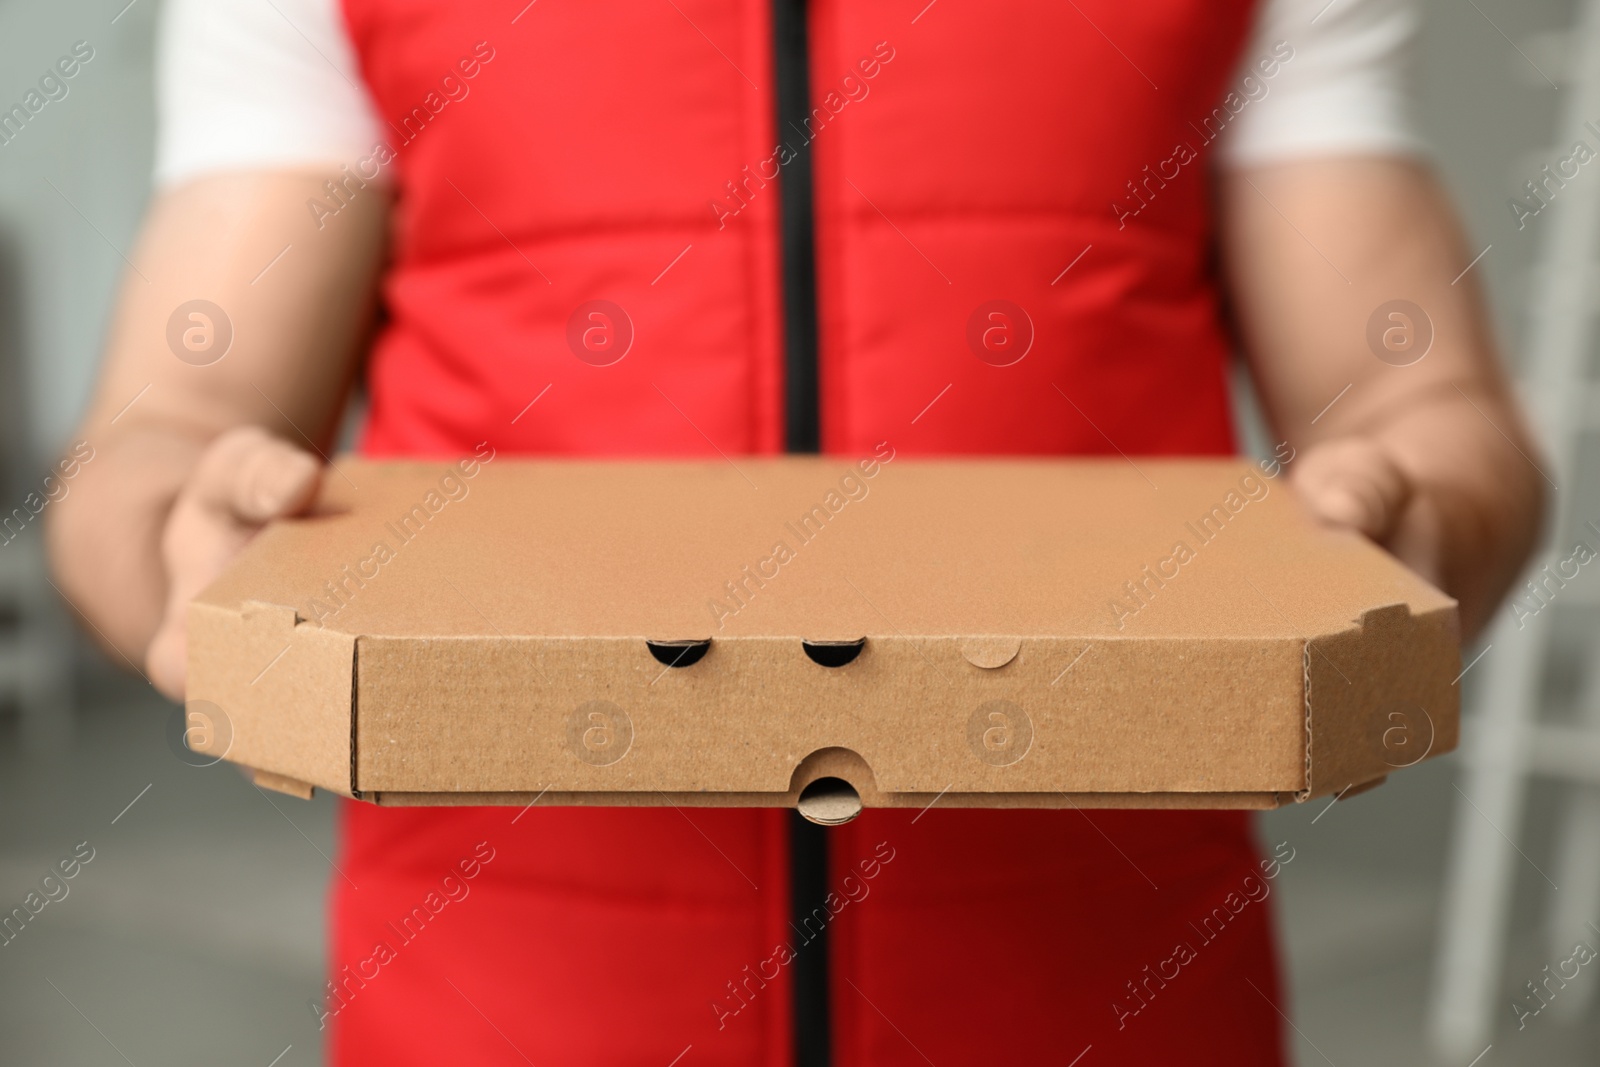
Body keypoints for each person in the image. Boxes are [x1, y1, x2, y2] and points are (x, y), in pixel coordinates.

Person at [47, 0, 1542, 1062]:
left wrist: (1415, 516)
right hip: (509, 987)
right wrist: (181, 535)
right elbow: (168, 435)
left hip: (1103, 988)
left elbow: (1424, 414)